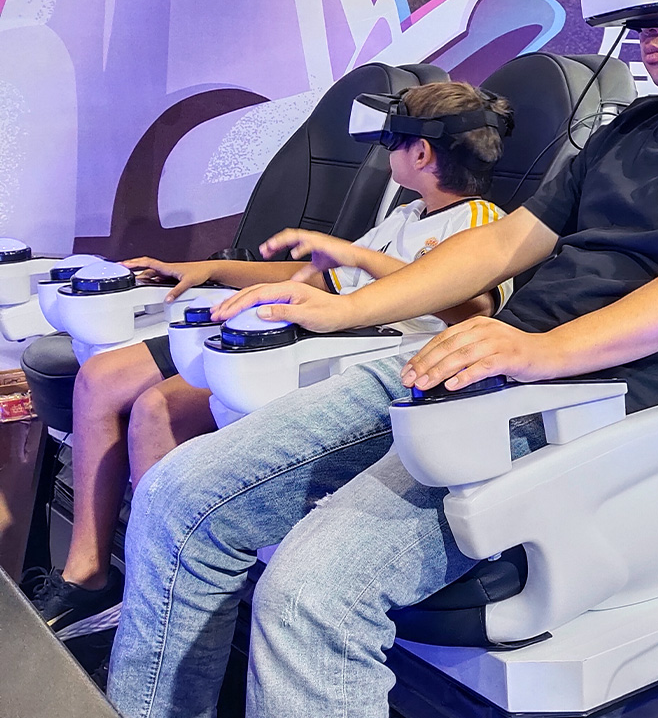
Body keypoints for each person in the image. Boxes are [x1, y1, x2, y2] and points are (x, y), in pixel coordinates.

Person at [105, 0, 658, 718]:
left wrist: (540, 351)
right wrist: (345, 308)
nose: (647, 31)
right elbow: (503, 242)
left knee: (310, 591)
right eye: (640, 16)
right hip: (484, 373)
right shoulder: (628, 131)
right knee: (178, 498)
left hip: (597, 406)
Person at [27, 82, 514, 646]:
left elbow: (473, 305)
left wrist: (358, 256)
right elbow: (324, 277)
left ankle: (159, 603)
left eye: (391, 143)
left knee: (158, 410)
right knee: (110, 382)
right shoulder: (406, 217)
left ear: (421, 152)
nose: (386, 154)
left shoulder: (482, 223)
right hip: (315, 338)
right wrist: (211, 269)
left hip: (367, 367)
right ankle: (115, 585)